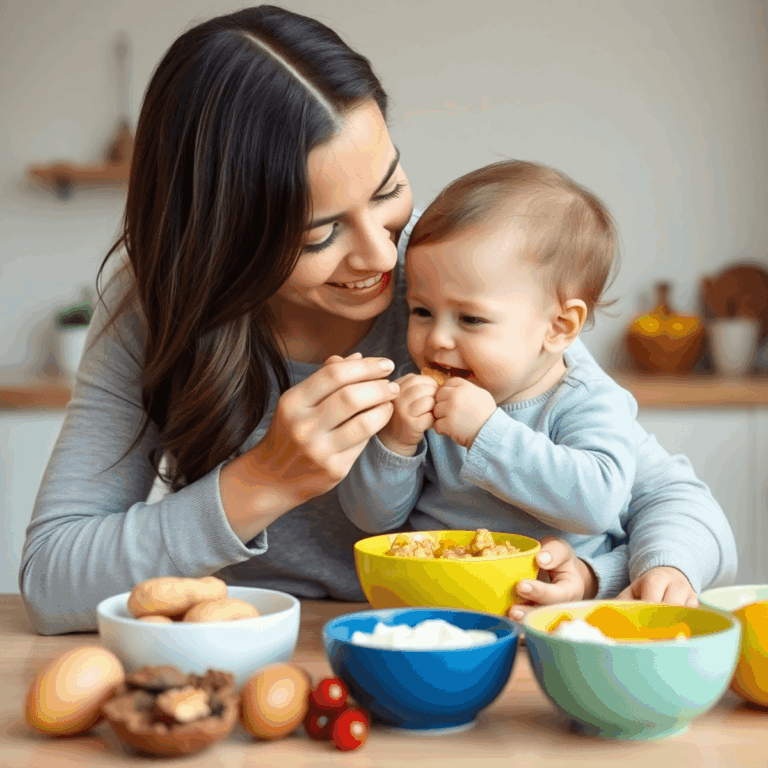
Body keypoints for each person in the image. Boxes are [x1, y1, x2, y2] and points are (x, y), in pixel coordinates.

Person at [18, 5, 735, 636]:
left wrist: (636, 572)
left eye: (388, 187)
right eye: (317, 234)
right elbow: (51, 581)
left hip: (450, 648)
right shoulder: (158, 308)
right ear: (221, 240)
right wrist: (261, 482)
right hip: (257, 651)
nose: (379, 251)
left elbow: (662, 493)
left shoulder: (450, 281)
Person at [337, 159, 695, 613]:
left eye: (470, 319)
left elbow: (598, 503)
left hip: (551, 614)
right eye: (421, 311)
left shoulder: (587, 400)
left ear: (560, 327)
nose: (437, 339)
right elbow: (370, 518)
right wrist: (396, 443)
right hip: (433, 603)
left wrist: (486, 433)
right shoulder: (417, 393)